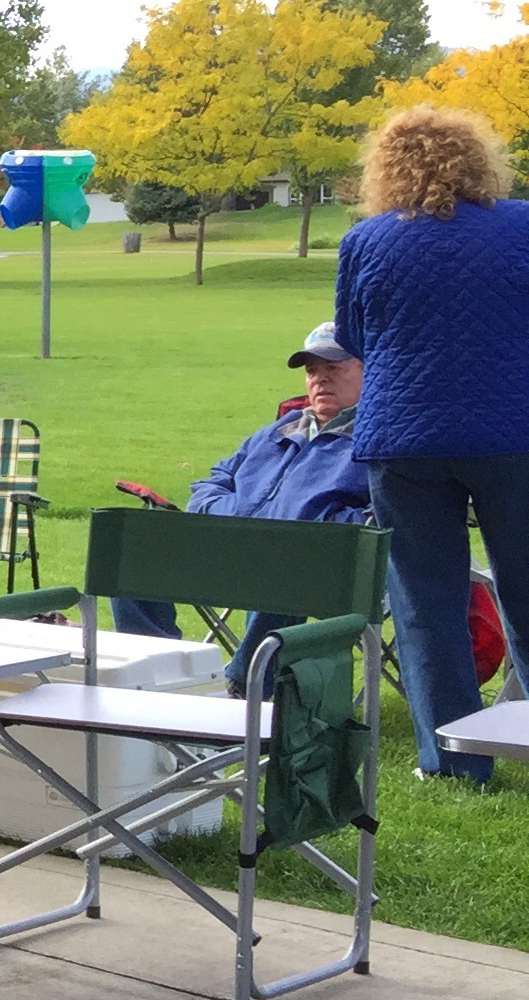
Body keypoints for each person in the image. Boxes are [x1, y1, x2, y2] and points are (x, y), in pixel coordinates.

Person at [333, 103, 529, 782]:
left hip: (403, 436)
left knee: (425, 602)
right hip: (513, 432)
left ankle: (453, 760)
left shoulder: (367, 241)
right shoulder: (524, 225)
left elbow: (353, 338)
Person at [110, 325, 368, 686]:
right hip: (229, 546)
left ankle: (243, 688)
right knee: (130, 553)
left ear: (368, 370)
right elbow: (211, 482)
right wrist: (225, 512)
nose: (320, 380)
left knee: (291, 562)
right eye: (312, 371)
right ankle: (160, 674)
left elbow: (384, 516)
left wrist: (316, 521)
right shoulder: (280, 430)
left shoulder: (377, 441)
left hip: (313, 565)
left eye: (334, 368)